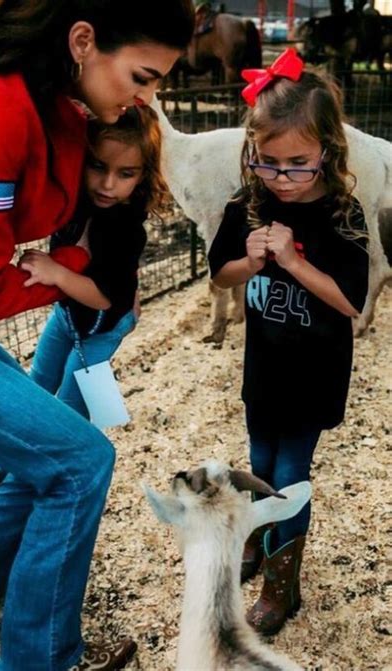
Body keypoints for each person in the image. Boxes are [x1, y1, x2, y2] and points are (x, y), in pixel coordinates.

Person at [0, 1, 194, 670]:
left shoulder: (46, 102)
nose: (146, 97)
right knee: (80, 461)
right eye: (142, 76)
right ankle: (41, 658)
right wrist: (69, 269)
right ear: (81, 41)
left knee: (51, 447)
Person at [208, 48, 369, 636]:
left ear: (327, 151)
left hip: (313, 376)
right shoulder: (246, 203)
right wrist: (246, 264)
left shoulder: (341, 215)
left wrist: (293, 262)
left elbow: (352, 301)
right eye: (268, 162)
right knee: (258, 464)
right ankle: (257, 543)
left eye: (298, 163)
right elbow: (217, 274)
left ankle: (283, 588)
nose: (282, 177)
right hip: (264, 370)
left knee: (290, 475)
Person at [0, 104, 168, 498]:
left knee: (67, 410)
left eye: (125, 174)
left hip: (99, 327)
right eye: (98, 167)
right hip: (69, 316)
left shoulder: (125, 226)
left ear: (143, 175)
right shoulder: (75, 200)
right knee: (37, 386)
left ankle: (41, 475)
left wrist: (58, 275)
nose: (108, 184)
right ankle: (9, 461)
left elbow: (106, 297)